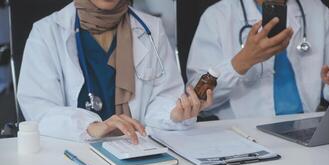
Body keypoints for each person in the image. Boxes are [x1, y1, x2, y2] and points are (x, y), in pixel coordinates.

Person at [18, 0, 213, 143]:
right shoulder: (46, 33)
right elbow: (38, 110)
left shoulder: (151, 29)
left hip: (137, 150)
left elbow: (162, 99)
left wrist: (175, 114)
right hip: (74, 156)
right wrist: (90, 127)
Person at [187, 0, 329, 120]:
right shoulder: (218, 16)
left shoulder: (317, 10)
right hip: (243, 134)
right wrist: (242, 62)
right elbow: (195, 98)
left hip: (307, 126)